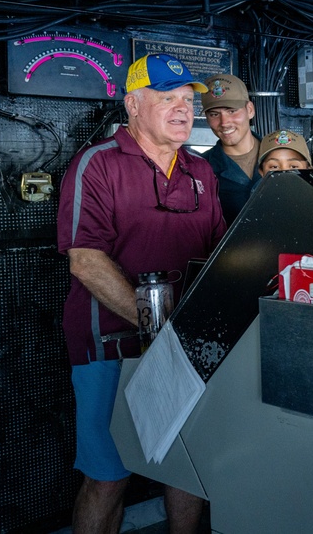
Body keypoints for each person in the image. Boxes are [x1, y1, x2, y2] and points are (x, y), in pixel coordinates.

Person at [58, 53, 227, 534]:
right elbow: (85, 260)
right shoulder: (98, 165)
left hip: (186, 348)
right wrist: (157, 325)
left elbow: (218, 254)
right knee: (108, 478)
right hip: (112, 348)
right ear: (132, 104)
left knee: (187, 466)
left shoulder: (200, 170)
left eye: (188, 100)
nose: (183, 109)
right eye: (167, 98)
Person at [198, 73, 261, 226]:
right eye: (214, 114)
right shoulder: (200, 169)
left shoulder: (284, 157)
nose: (224, 122)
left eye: (232, 111)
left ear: (250, 110)